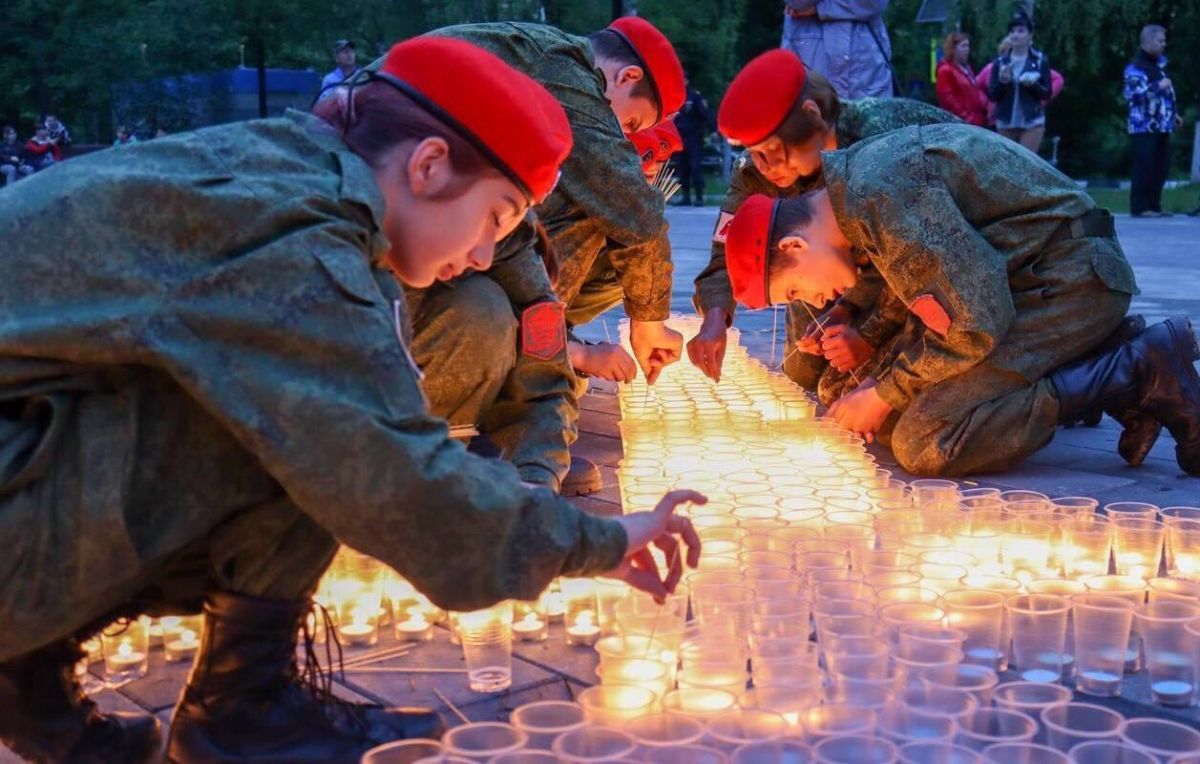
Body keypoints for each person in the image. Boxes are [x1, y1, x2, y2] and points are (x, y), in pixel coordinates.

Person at [0, 37, 704, 764]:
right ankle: (241, 714)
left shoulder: (289, 173)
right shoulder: (294, 238)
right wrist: (602, 542)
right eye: (494, 217)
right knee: (314, 429)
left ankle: (47, 682)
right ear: (429, 166)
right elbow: (393, 477)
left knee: (304, 413)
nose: (488, 255)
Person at [721, 122, 1200, 478]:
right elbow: (927, 286)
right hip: (1018, 283)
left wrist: (887, 391)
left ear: (794, 246)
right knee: (849, 394)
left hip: (1068, 282)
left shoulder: (883, 198)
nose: (814, 301)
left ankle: (1136, 366)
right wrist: (874, 380)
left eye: (795, 290)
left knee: (925, 439)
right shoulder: (852, 196)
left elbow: (975, 323)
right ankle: (1101, 357)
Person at [360, 18, 688, 495]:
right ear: (627, 76)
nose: (481, 256)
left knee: (497, 300)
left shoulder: (498, 214)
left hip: (410, 215)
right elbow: (633, 207)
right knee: (484, 307)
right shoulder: (564, 71)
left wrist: (537, 474)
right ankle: (438, 445)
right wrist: (648, 321)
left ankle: (483, 435)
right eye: (631, 123)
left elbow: (540, 330)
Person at [687, 49, 955, 399]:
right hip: (838, 268)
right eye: (754, 153)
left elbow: (918, 257)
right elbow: (728, 252)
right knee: (801, 375)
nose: (765, 167)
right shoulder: (757, 171)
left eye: (771, 151)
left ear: (810, 116)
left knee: (857, 390)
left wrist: (868, 333)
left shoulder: (875, 146)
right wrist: (715, 316)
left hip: (939, 268)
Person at [1124, 24, 1181, 218]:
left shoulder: (1160, 66)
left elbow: (1165, 98)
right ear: (1148, 42)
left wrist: (1174, 115)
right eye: (1160, 40)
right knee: (1144, 165)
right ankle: (1140, 206)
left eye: (1164, 40)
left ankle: (1155, 205)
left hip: (1162, 125)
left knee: (1161, 165)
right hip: (1143, 126)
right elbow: (1134, 95)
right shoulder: (1136, 68)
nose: (1164, 44)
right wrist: (1159, 85)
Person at [781, 0, 893, 99]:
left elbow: (873, 4)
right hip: (810, 57)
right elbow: (798, 3)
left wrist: (821, 8)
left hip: (864, 74)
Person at [987, 11, 1051, 153]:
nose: (1015, 35)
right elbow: (992, 95)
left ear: (1030, 35)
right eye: (1012, 31)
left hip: (1032, 122)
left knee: (1026, 166)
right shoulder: (1000, 62)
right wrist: (1003, 82)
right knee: (1007, 166)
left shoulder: (1040, 60)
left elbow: (1046, 93)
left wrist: (1033, 85)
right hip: (1005, 122)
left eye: (1021, 31)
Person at [674, 78, 712, 205]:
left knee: (695, 167)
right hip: (680, 139)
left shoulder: (695, 97)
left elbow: (705, 115)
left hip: (694, 139)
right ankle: (686, 197)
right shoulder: (675, 97)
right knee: (682, 168)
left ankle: (699, 197)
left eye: (683, 79)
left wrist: (713, 131)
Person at [936, 32, 987, 126]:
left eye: (968, 46)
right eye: (963, 46)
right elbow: (947, 98)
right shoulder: (945, 70)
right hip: (960, 122)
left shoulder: (967, 68)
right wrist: (965, 117)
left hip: (976, 120)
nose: (967, 49)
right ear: (953, 49)